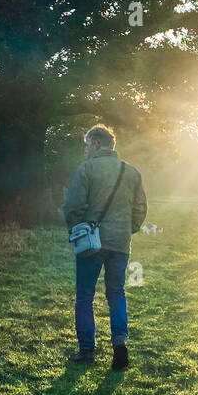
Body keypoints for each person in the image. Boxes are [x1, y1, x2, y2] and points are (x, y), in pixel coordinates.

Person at [62, 124, 148, 370]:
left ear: (96, 144)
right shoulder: (131, 172)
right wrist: (127, 228)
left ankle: (87, 350)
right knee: (117, 293)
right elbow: (140, 207)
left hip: (91, 240)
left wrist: (76, 229)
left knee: (85, 295)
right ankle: (120, 345)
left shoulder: (86, 169)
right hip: (120, 242)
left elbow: (72, 206)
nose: (86, 149)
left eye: (87, 144)